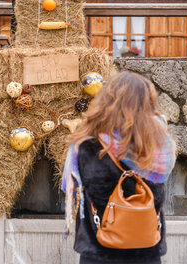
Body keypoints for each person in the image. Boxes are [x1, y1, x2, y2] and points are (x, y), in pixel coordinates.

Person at [62, 71, 176, 264]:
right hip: (146, 251)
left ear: (105, 101)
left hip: (98, 251)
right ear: (147, 102)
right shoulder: (160, 146)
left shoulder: (87, 146)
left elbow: (77, 190)